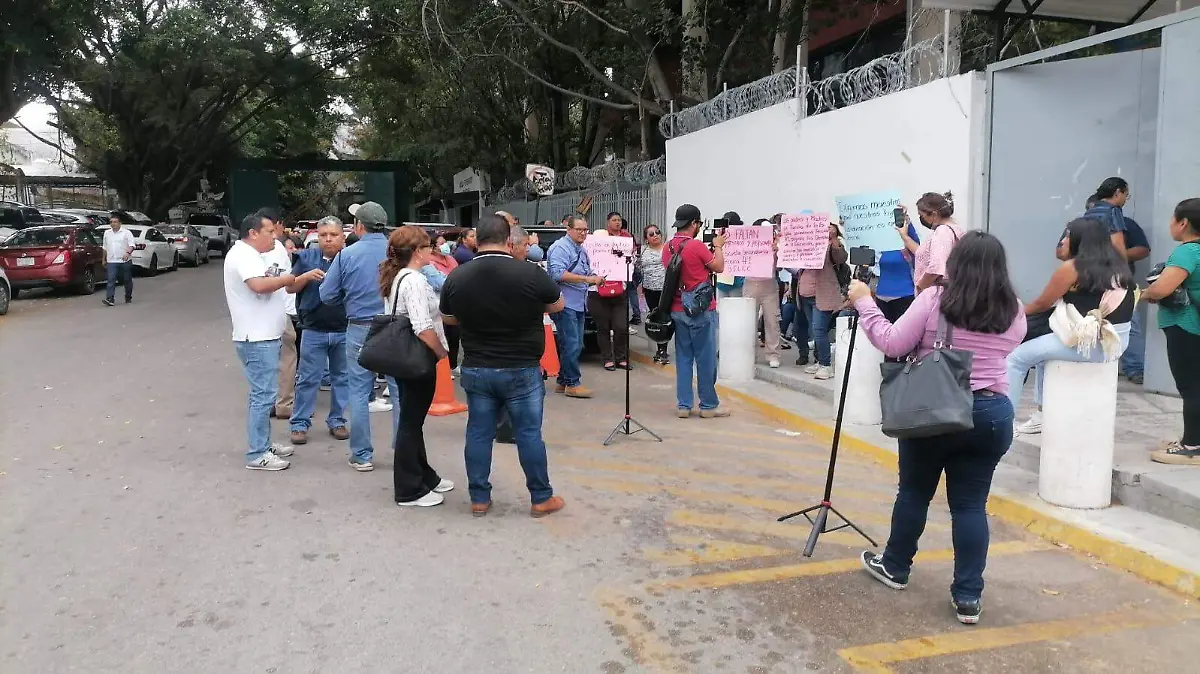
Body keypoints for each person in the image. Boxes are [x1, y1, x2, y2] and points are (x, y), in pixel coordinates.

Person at [848, 231, 1027, 625]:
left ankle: (895, 566)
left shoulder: (934, 300)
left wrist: (864, 302)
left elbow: (892, 343)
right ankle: (968, 597)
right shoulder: (1013, 309)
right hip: (992, 414)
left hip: (935, 411)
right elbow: (1010, 348)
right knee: (970, 506)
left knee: (914, 491)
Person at [440, 213, 567, 518]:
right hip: (521, 367)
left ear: (476, 241)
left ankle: (479, 498)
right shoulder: (530, 274)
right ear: (509, 240)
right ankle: (540, 498)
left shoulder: (457, 276)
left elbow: (448, 318)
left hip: (478, 367)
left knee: (479, 433)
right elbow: (559, 305)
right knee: (528, 434)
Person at [1007, 218, 1134, 435]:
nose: (1063, 241)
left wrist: (1012, 315)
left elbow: (1041, 304)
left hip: (1090, 343)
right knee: (1041, 353)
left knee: (1016, 359)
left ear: (1079, 240)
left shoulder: (1073, 268)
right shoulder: (1118, 265)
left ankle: (1004, 423)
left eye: (1067, 235)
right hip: (1117, 341)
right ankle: (1042, 413)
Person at [319, 201, 401, 472]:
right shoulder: (399, 253)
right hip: (394, 326)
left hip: (358, 327)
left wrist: (350, 296)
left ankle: (362, 455)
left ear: (359, 226)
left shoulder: (347, 255)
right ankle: (403, 451)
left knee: (358, 390)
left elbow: (327, 295)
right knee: (399, 391)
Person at [379, 226, 455, 507]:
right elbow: (422, 325)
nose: (431, 251)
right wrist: (440, 352)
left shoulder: (402, 276)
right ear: (416, 252)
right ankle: (409, 489)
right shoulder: (413, 280)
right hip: (416, 357)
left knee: (413, 421)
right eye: (426, 247)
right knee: (410, 424)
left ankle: (425, 476)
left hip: (406, 357)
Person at [224, 213, 306, 471]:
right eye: (269, 231)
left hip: (265, 335)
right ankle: (257, 453)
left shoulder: (254, 255)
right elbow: (259, 286)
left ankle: (263, 443)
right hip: (256, 337)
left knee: (262, 394)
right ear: (253, 233)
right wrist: (287, 279)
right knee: (263, 396)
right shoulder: (242, 255)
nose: (275, 235)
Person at [1144, 198, 1200, 464]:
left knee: (1190, 386)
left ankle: (1192, 446)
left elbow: (1163, 288)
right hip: (1194, 327)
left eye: (1172, 218)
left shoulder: (1187, 251)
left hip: (1185, 325)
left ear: (1184, 222)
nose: (1170, 224)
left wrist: (1144, 293)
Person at [287, 217, 349, 446]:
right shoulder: (306, 258)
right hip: (313, 330)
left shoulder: (350, 259)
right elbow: (289, 287)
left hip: (344, 329)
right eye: (323, 235)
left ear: (343, 237)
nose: (328, 239)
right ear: (317, 237)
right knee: (307, 380)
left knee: (342, 378)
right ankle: (299, 424)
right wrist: (305, 276)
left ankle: (338, 421)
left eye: (333, 235)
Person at [665, 204, 729, 418]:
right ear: (693, 223)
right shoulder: (696, 246)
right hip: (701, 309)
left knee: (683, 358)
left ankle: (684, 405)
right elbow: (718, 267)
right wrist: (718, 246)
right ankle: (708, 405)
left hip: (677, 308)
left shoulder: (667, 248)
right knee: (706, 358)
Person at [547, 215, 603, 398]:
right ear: (568, 229)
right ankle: (572, 383)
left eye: (585, 230)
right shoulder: (560, 248)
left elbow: (585, 271)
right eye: (579, 229)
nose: (583, 233)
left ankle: (563, 381)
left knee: (572, 344)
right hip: (565, 303)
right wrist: (587, 279)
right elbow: (557, 274)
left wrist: (596, 277)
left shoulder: (581, 249)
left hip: (578, 302)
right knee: (573, 344)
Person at [258, 210, 299, 420]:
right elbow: (281, 280)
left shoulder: (248, 250)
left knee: (267, 361)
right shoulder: (277, 249)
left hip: (259, 315)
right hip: (279, 311)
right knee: (286, 359)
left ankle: (268, 402)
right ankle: (283, 404)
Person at [796, 221, 847, 380]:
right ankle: (820, 360)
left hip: (822, 296)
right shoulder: (807, 245)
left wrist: (833, 240)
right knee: (815, 330)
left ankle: (826, 365)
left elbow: (841, 258)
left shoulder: (830, 247)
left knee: (819, 330)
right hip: (806, 297)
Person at [589, 212, 634, 371]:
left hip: (619, 289)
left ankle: (621, 358)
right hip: (597, 291)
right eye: (614, 220)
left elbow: (631, 261)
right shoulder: (597, 239)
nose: (617, 223)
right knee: (603, 327)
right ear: (608, 222)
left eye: (619, 220)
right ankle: (607, 358)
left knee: (621, 326)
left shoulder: (625, 239)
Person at [739, 214, 783, 368]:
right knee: (748, 321)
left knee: (772, 321)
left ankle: (773, 354)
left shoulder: (774, 245)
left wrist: (777, 252)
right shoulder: (746, 244)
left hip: (769, 285)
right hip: (750, 284)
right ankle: (747, 353)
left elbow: (780, 267)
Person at [897, 192, 962, 292]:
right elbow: (923, 254)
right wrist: (905, 236)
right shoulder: (953, 229)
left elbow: (936, 268)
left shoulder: (942, 233)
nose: (922, 219)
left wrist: (920, 287)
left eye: (922, 215)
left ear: (934, 214)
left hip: (936, 294)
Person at [1118, 210, 1152, 384]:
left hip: (1121, 283)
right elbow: (1062, 251)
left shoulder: (1125, 224)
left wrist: (1115, 254)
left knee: (1131, 325)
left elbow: (1143, 249)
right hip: (1089, 282)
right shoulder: (1082, 226)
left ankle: (1135, 368)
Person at [1077, 177, 1130, 259]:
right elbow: (1118, 246)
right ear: (1118, 192)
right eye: (1126, 195)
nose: (1125, 200)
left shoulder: (1090, 212)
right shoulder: (1113, 210)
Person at [639, 224, 670, 364]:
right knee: (654, 317)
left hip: (665, 289)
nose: (655, 235)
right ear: (646, 238)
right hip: (649, 289)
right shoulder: (643, 250)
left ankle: (663, 349)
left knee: (665, 319)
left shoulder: (668, 248)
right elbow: (638, 269)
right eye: (651, 234)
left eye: (657, 232)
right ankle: (659, 348)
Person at [101, 214, 135, 306]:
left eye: (115, 222)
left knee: (127, 280)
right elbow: (105, 247)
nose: (113, 224)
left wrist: (127, 253)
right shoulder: (107, 233)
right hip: (111, 261)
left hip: (125, 260)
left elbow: (132, 245)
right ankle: (110, 298)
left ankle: (128, 297)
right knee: (111, 280)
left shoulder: (126, 233)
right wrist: (103, 259)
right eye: (111, 222)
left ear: (120, 223)